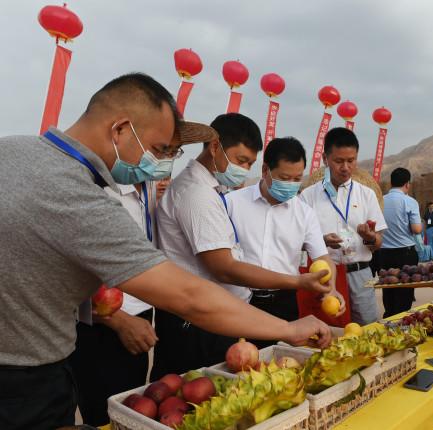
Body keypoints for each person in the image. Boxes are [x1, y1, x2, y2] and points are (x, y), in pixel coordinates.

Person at [0, 73, 331, 430]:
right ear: (121, 129)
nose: (162, 161)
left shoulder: (12, 149)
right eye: (159, 149)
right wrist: (287, 328)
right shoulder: (78, 195)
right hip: (25, 377)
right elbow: (189, 296)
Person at [152, 114, 333, 378]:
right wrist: (299, 282)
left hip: (217, 313)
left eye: (249, 162)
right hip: (198, 322)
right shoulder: (198, 195)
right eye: (240, 160)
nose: (243, 169)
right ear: (215, 147)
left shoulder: (210, 191)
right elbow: (223, 268)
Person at [70, 120, 216, 426]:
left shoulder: (148, 185)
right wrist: (117, 320)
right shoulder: (93, 189)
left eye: (174, 151)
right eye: (161, 149)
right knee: (105, 412)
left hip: (142, 314)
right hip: (102, 325)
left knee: (137, 405)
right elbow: (72, 265)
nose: (166, 158)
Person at [226, 137, 345, 347]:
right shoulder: (232, 204)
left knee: (281, 364)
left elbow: (323, 257)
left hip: (283, 302)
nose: (291, 185)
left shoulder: (304, 213)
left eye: (297, 178)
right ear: (265, 170)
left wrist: (331, 288)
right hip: (239, 301)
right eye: (284, 177)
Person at [300, 127, 387, 325]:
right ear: (325, 159)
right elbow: (299, 241)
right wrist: (321, 242)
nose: (346, 167)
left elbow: (379, 243)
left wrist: (370, 237)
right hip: (325, 277)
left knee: (367, 328)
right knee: (327, 331)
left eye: (351, 160)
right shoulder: (308, 196)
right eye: (339, 161)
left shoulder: (366, 195)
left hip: (361, 274)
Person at [380, 168, 423, 317]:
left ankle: (389, 321)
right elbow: (416, 229)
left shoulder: (381, 200)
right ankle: (403, 323)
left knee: (388, 291)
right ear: (407, 184)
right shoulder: (409, 201)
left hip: (384, 254)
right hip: (405, 254)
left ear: (391, 183)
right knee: (405, 292)